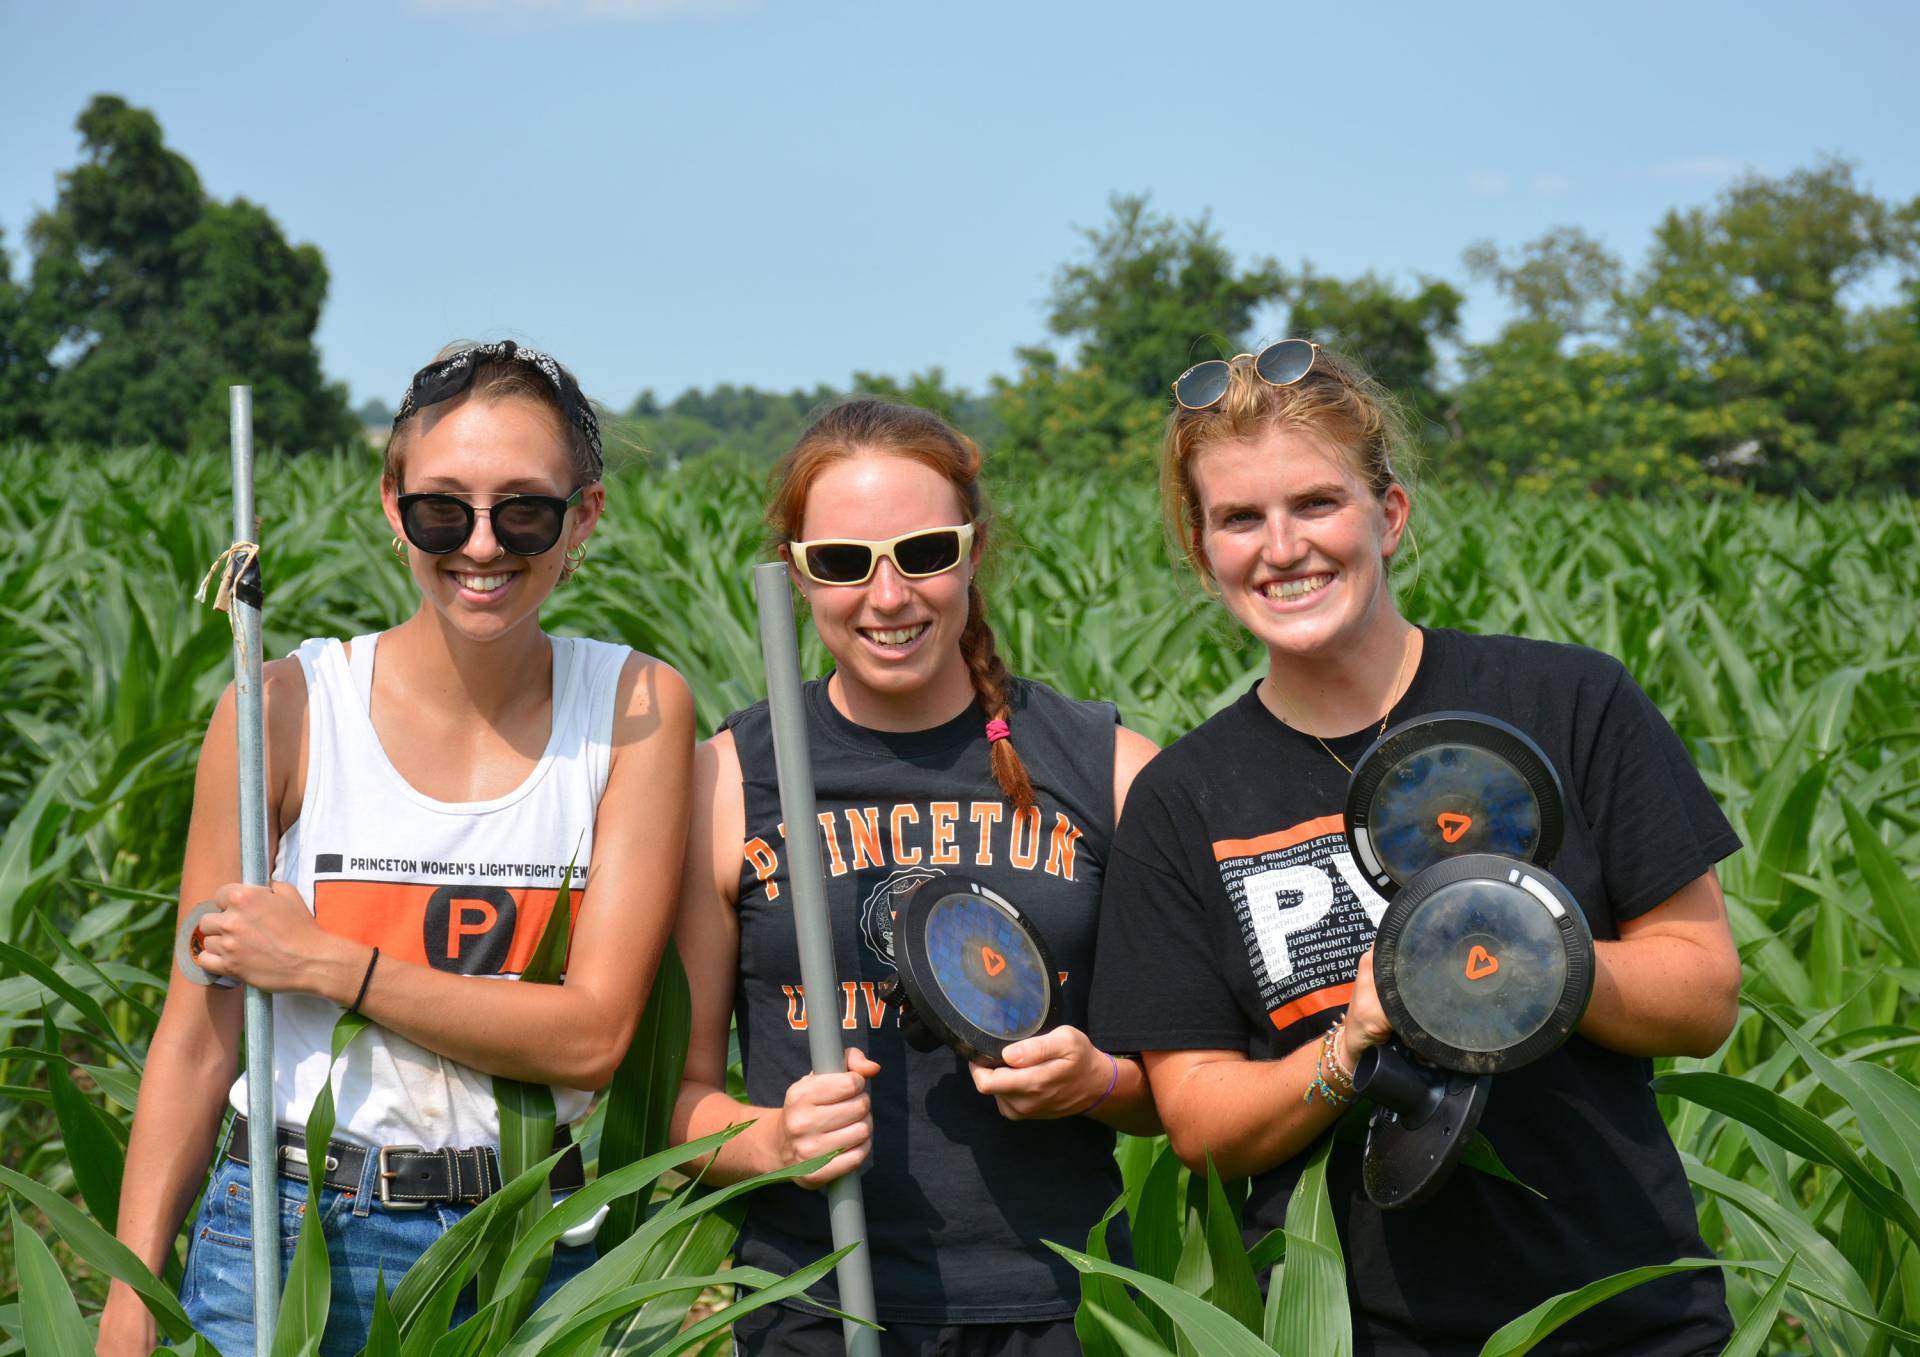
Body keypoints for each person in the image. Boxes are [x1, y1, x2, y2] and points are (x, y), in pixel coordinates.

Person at [1088, 341, 1744, 1356]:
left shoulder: (1570, 702)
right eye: (1240, 519)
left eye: (1316, 503)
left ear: (1387, 516)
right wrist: (1346, 1050)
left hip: (1624, 1314)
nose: (1282, 547)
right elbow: (1201, 1119)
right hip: (1359, 1330)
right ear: (1202, 547)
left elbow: (1702, 996)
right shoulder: (1185, 798)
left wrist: (1528, 954)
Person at [97, 341, 695, 1357]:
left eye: (525, 511)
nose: (481, 544)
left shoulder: (633, 708)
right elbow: (197, 1038)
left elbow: (592, 1037)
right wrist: (129, 1297)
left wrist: (330, 963)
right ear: (392, 504)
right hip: (286, 1230)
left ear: (582, 517)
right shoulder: (284, 707)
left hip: (525, 1242)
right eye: (441, 509)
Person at [670, 397, 1161, 1357]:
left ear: (973, 553)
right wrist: (770, 1141)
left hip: (1062, 1307)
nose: (888, 597)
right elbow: (673, 1106)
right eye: (844, 563)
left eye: (925, 552)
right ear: (799, 577)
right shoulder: (729, 778)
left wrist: (1096, 1082)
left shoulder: (1110, 770)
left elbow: (1185, 1089)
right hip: (812, 1309)